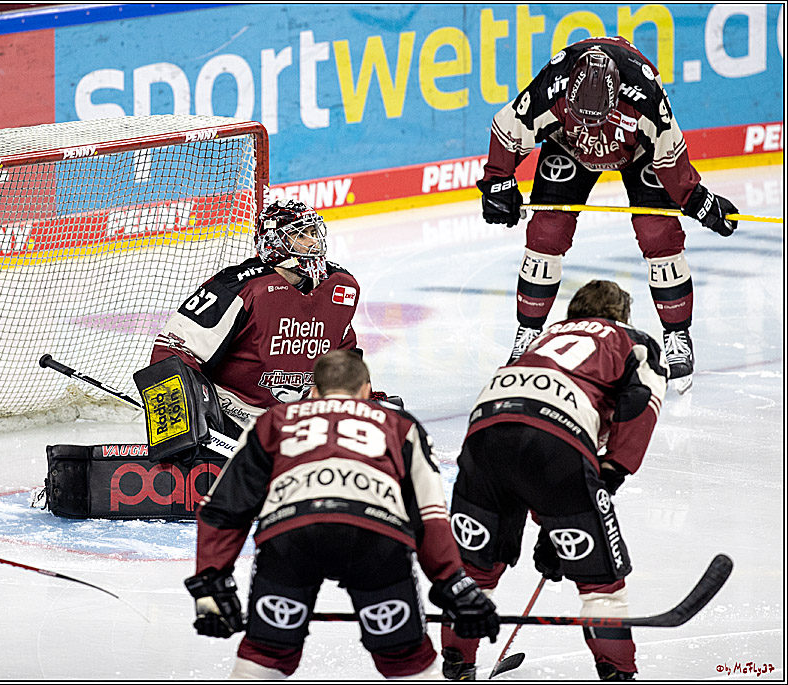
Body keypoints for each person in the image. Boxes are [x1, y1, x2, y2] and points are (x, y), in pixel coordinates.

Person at [183, 350, 500, 679]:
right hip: (374, 537)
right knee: (405, 659)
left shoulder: (274, 420)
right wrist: (455, 585)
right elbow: (429, 514)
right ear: (367, 391)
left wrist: (211, 584)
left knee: (266, 652)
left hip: (291, 534)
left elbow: (224, 508)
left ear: (314, 392)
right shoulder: (399, 424)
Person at [477, 35, 739, 392]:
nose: (591, 130)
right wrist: (497, 182)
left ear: (616, 98)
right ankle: (528, 333)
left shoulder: (646, 97)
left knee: (658, 234)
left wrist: (696, 199)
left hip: (637, 152)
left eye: (597, 119)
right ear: (568, 92)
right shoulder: (550, 86)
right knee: (545, 234)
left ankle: (677, 335)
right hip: (567, 149)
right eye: (582, 117)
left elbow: (669, 157)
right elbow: (508, 128)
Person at [440, 280, 667, 680]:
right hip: (554, 443)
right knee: (600, 584)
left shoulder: (542, 339)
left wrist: (552, 524)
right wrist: (609, 476)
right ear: (622, 316)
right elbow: (638, 405)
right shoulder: (631, 340)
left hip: (482, 437)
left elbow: (520, 431)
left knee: (475, 569)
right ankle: (617, 671)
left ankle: (458, 661)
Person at [137, 199, 386, 463]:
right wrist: (178, 425)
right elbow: (172, 348)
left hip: (302, 421)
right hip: (233, 421)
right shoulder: (239, 287)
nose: (314, 242)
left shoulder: (341, 287)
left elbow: (344, 356)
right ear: (275, 243)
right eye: (301, 235)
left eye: (314, 233)